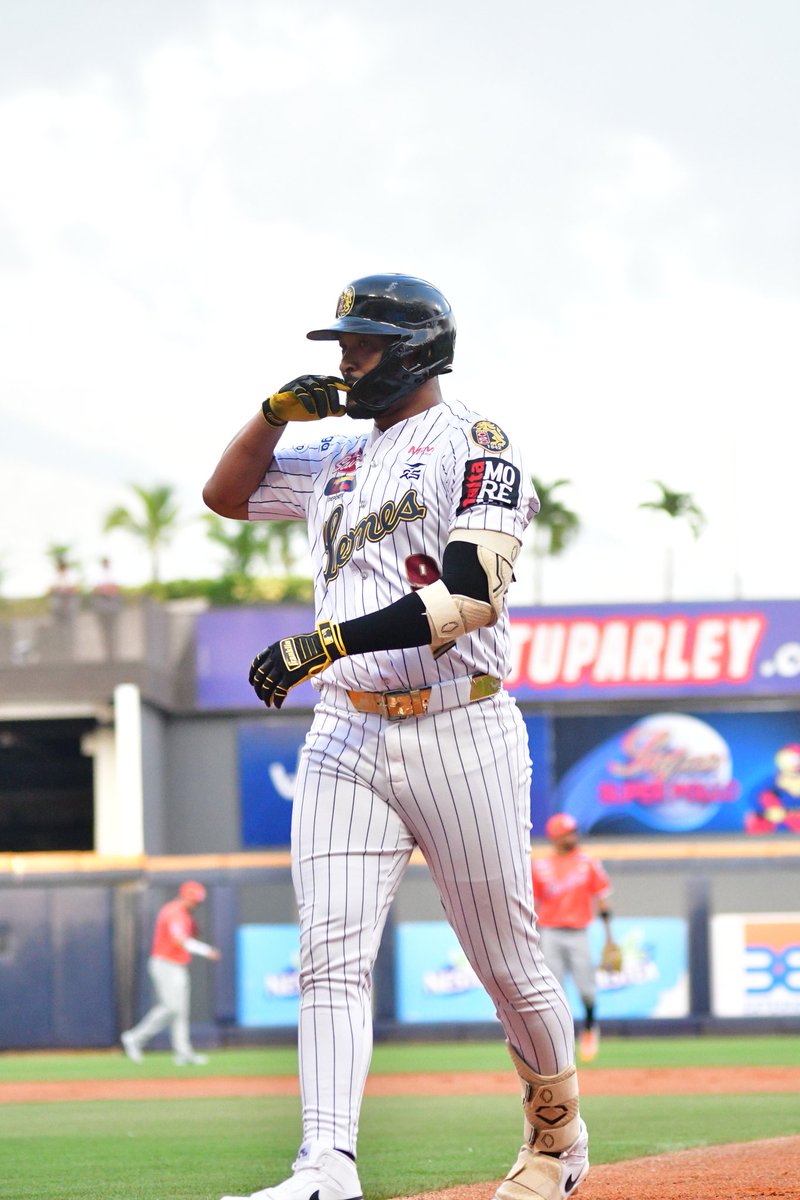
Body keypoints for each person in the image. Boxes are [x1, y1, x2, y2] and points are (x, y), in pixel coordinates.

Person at [203, 273, 590, 1200]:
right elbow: (225, 495)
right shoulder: (336, 452)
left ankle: (557, 1140)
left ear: (415, 348)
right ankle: (325, 1167)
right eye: (341, 342)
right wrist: (270, 415)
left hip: (462, 723)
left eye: (362, 342)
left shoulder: (478, 442)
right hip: (345, 729)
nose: (343, 359)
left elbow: (469, 594)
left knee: (507, 965)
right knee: (328, 954)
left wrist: (325, 638)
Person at [531, 813, 616, 1063]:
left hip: (579, 933)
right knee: (553, 991)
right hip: (550, 932)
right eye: (568, 833)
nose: (573, 836)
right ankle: (560, 1039)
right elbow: (532, 905)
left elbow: (602, 899)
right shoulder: (540, 866)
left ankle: (590, 1028)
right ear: (556, 837)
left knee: (587, 990)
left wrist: (610, 939)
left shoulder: (588, 863)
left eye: (574, 831)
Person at [121, 881, 221, 1066]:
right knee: (171, 1007)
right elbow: (179, 941)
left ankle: (182, 1052)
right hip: (166, 964)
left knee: (181, 1011)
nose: (196, 904)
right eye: (194, 900)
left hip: (177, 965)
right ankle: (135, 1037)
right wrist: (207, 951)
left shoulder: (183, 914)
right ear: (185, 896)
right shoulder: (174, 912)